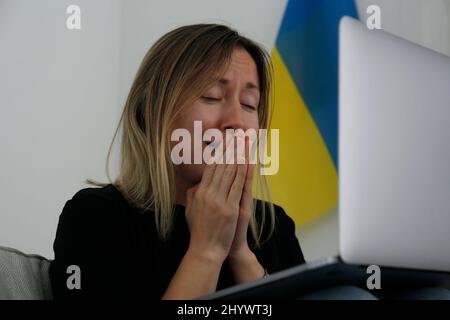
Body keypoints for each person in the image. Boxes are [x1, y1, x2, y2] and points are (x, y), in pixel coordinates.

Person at [49, 23, 306, 300]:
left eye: (249, 104)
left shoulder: (274, 226)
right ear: (153, 111)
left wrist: (240, 253)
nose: (236, 123)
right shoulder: (96, 217)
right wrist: (206, 250)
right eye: (212, 97)